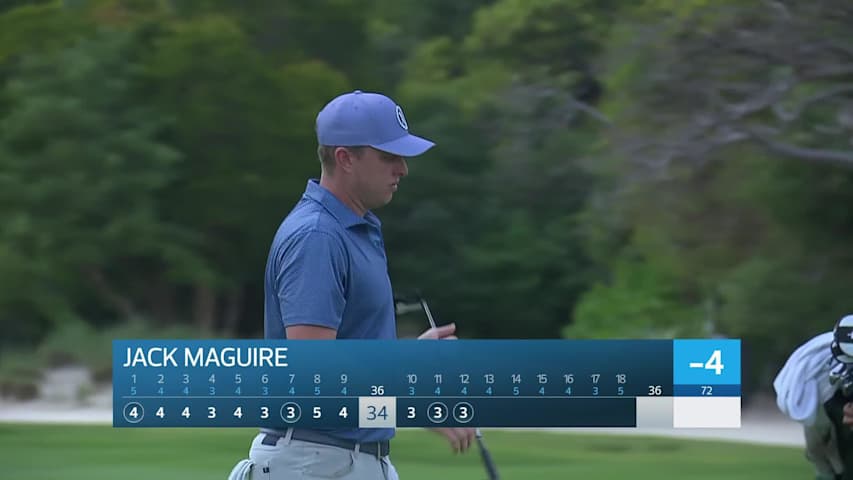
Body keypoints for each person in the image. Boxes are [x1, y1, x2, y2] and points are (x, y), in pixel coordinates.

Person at [228, 90, 476, 480]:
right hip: (316, 463)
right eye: (389, 156)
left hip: (341, 461)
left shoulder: (354, 230)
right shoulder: (317, 237)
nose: (403, 169)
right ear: (345, 158)